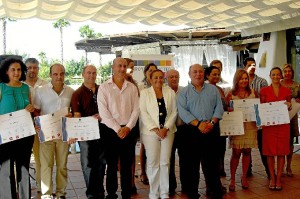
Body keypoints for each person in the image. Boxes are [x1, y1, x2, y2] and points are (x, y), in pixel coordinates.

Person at [177, 64, 224, 199]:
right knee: (192, 166)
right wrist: (198, 124)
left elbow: (219, 108)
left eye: (200, 72)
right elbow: (183, 112)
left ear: (204, 74)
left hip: (211, 129)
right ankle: (193, 193)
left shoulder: (213, 90)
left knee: (212, 165)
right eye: (195, 72)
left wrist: (211, 123)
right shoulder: (183, 92)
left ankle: (215, 192)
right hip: (191, 132)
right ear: (189, 74)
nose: (198, 74)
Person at [97, 57, 139, 199]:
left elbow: (136, 110)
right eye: (119, 66)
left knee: (127, 165)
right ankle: (111, 193)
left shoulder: (132, 88)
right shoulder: (103, 87)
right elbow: (103, 112)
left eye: (124, 66)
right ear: (113, 67)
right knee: (112, 165)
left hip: (128, 130)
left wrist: (127, 127)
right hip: (109, 131)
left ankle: (126, 194)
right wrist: (117, 128)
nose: (122, 69)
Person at [34, 63, 74, 199]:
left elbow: (73, 112)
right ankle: (46, 194)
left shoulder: (70, 91)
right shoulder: (41, 90)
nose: (59, 77)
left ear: (64, 75)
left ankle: (61, 193)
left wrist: (71, 115)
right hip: (46, 134)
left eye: (61, 74)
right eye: (55, 74)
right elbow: (36, 110)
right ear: (50, 75)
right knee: (46, 165)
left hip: (63, 134)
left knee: (62, 165)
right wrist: (37, 123)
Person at [0, 57, 35, 199]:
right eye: (13, 70)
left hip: (25, 136)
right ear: (6, 72)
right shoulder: (1, 87)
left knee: (24, 169)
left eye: (19, 69)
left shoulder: (26, 88)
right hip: (5, 137)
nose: (16, 72)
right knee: (6, 171)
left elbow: (30, 108)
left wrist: (31, 108)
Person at [139, 69, 177, 199]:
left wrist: (165, 128)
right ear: (150, 78)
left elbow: (174, 112)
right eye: (155, 77)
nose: (158, 80)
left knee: (165, 162)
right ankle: (154, 193)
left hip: (168, 131)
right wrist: (156, 129)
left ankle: (164, 192)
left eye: (161, 77)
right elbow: (143, 113)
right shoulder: (144, 93)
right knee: (153, 162)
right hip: (150, 133)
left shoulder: (170, 92)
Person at [70, 65, 106, 199]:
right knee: (88, 164)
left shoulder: (102, 90)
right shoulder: (77, 93)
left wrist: (102, 115)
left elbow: (109, 108)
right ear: (83, 74)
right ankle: (91, 193)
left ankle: (100, 191)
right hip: (85, 134)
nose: (92, 75)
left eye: (94, 73)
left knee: (102, 163)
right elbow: (77, 115)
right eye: (89, 73)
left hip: (102, 131)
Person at [225, 69, 258, 191]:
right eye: (241, 78)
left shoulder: (253, 93)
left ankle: (244, 177)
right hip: (237, 126)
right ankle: (232, 178)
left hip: (250, 126)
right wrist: (229, 109)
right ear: (236, 80)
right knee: (236, 153)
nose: (244, 80)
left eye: (245, 78)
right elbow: (225, 108)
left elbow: (258, 109)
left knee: (247, 152)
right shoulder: (230, 94)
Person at [260, 67, 292, 191]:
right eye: (273, 74)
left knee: (281, 153)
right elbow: (261, 108)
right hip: (269, 126)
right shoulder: (264, 90)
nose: (276, 77)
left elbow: (289, 107)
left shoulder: (286, 91)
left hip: (283, 125)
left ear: (281, 76)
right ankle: (272, 178)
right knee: (269, 153)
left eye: (278, 75)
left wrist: (289, 105)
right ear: (270, 75)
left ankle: (278, 178)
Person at [24, 57, 48, 193]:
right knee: (23, 159)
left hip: (41, 126)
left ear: (38, 69)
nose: (32, 70)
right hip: (24, 127)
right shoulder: (19, 85)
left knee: (41, 158)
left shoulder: (45, 84)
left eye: (35, 67)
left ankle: (41, 186)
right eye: (29, 68)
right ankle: (23, 189)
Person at [204, 66, 228, 196]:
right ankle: (210, 186)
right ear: (207, 76)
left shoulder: (219, 89)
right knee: (209, 159)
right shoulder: (205, 89)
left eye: (218, 74)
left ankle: (216, 183)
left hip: (221, 126)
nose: (216, 77)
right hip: (210, 127)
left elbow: (223, 107)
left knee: (219, 155)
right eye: (214, 74)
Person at [243, 57, 268, 178]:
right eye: (249, 65)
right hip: (246, 119)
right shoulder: (241, 81)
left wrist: (257, 97)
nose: (252, 67)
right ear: (244, 67)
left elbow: (265, 100)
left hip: (259, 117)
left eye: (253, 65)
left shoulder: (262, 81)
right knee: (247, 146)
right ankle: (248, 169)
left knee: (262, 145)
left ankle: (269, 171)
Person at [138, 63, 158, 185]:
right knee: (144, 146)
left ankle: (154, 172)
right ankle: (143, 172)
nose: (152, 72)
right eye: (149, 70)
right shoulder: (140, 86)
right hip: (145, 119)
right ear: (145, 72)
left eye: (154, 70)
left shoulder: (160, 84)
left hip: (157, 121)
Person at [281, 64, 300, 177]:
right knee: (282, 141)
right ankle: (281, 166)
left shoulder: (297, 85)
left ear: (292, 72)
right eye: (285, 71)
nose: (287, 73)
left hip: (292, 117)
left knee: (290, 142)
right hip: (281, 116)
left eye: (289, 71)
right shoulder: (279, 84)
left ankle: (289, 165)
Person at [166, 69, 182, 195]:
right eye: (171, 77)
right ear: (167, 78)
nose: (174, 79)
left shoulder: (185, 91)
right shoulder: (163, 91)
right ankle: (170, 186)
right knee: (169, 159)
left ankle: (186, 184)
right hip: (169, 129)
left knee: (186, 158)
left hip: (183, 129)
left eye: (176, 76)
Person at [124, 58, 139, 194]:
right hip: (117, 126)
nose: (131, 70)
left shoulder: (134, 84)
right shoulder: (112, 83)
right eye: (129, 67)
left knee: (131, 155)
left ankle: (131, 183)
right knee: (120, 157)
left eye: (132, 67)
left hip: (132, 124)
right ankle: (124, 182)